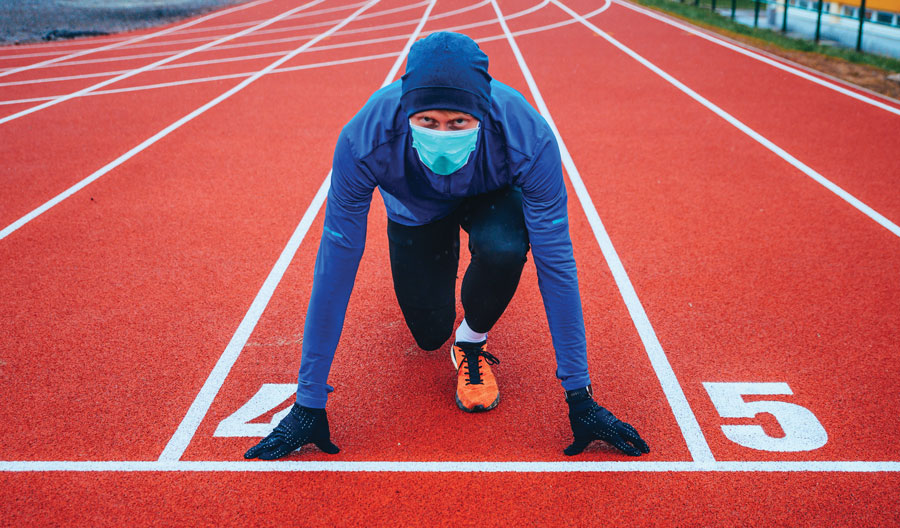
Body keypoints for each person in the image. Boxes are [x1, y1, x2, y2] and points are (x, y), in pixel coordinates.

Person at [244, 32, 649, 460]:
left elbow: (556, 262)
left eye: (458, 123)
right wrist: (309, 402)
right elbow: (335, 265)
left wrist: (579, 397)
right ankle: (441, 297)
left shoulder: (529, 136)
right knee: (428, 335)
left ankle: (472, 340)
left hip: (490, 196)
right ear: (405, 111)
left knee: (505, 248)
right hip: (416, 210)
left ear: (483, 112)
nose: (443, 134)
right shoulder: (362, 140)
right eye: (428, 122)